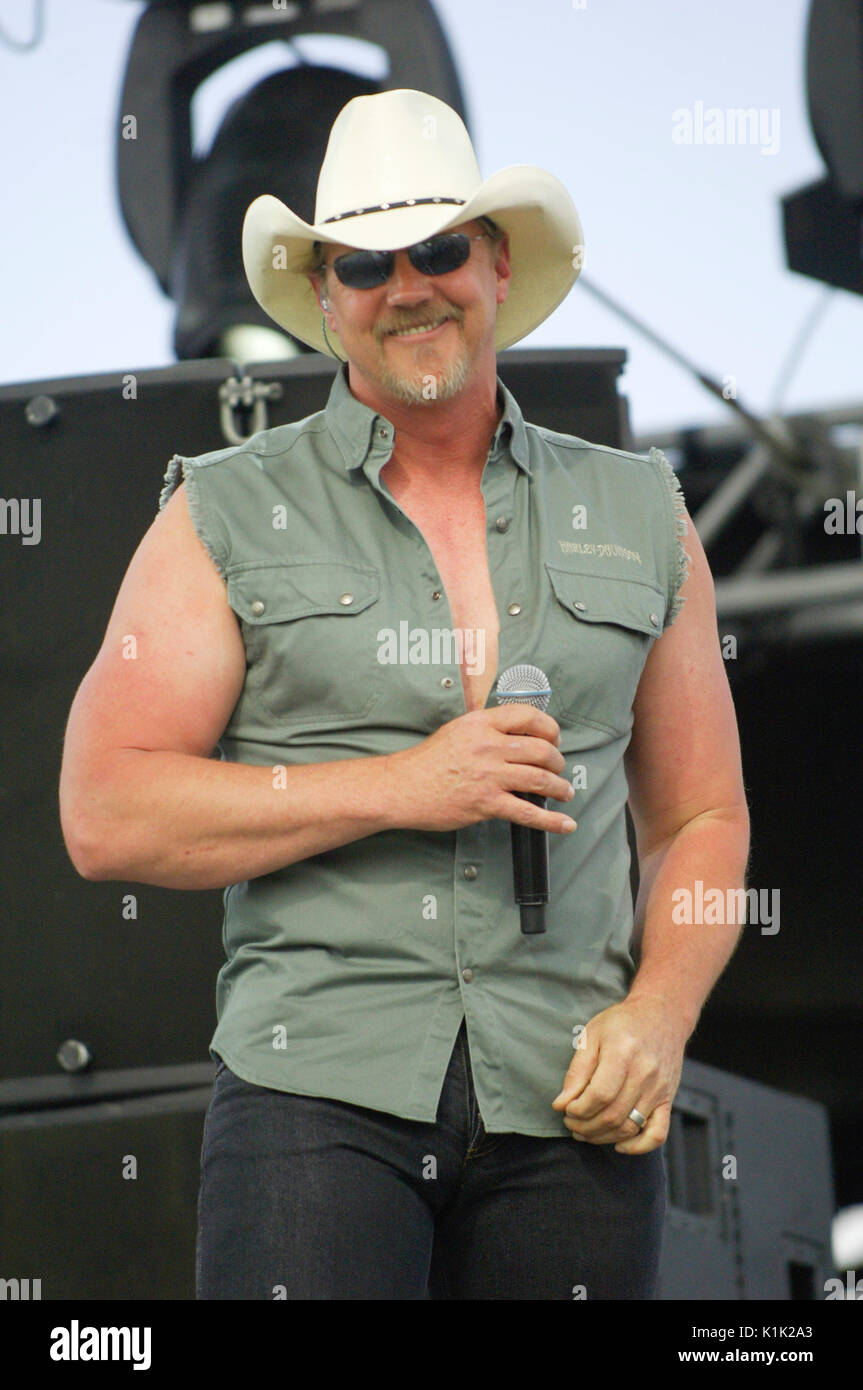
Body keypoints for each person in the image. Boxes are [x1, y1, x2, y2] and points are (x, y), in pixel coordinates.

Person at [59, 88, 750, 1300]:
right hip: (313, 1095)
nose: (408, 286)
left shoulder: (642, 510)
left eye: (437, 250)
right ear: (324, 295)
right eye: (366, 263)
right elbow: (104, 810)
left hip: (568, 1109)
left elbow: (702, 818)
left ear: (492, 263)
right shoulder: (219, 508)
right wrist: (400, 786)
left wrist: (658, 1014)